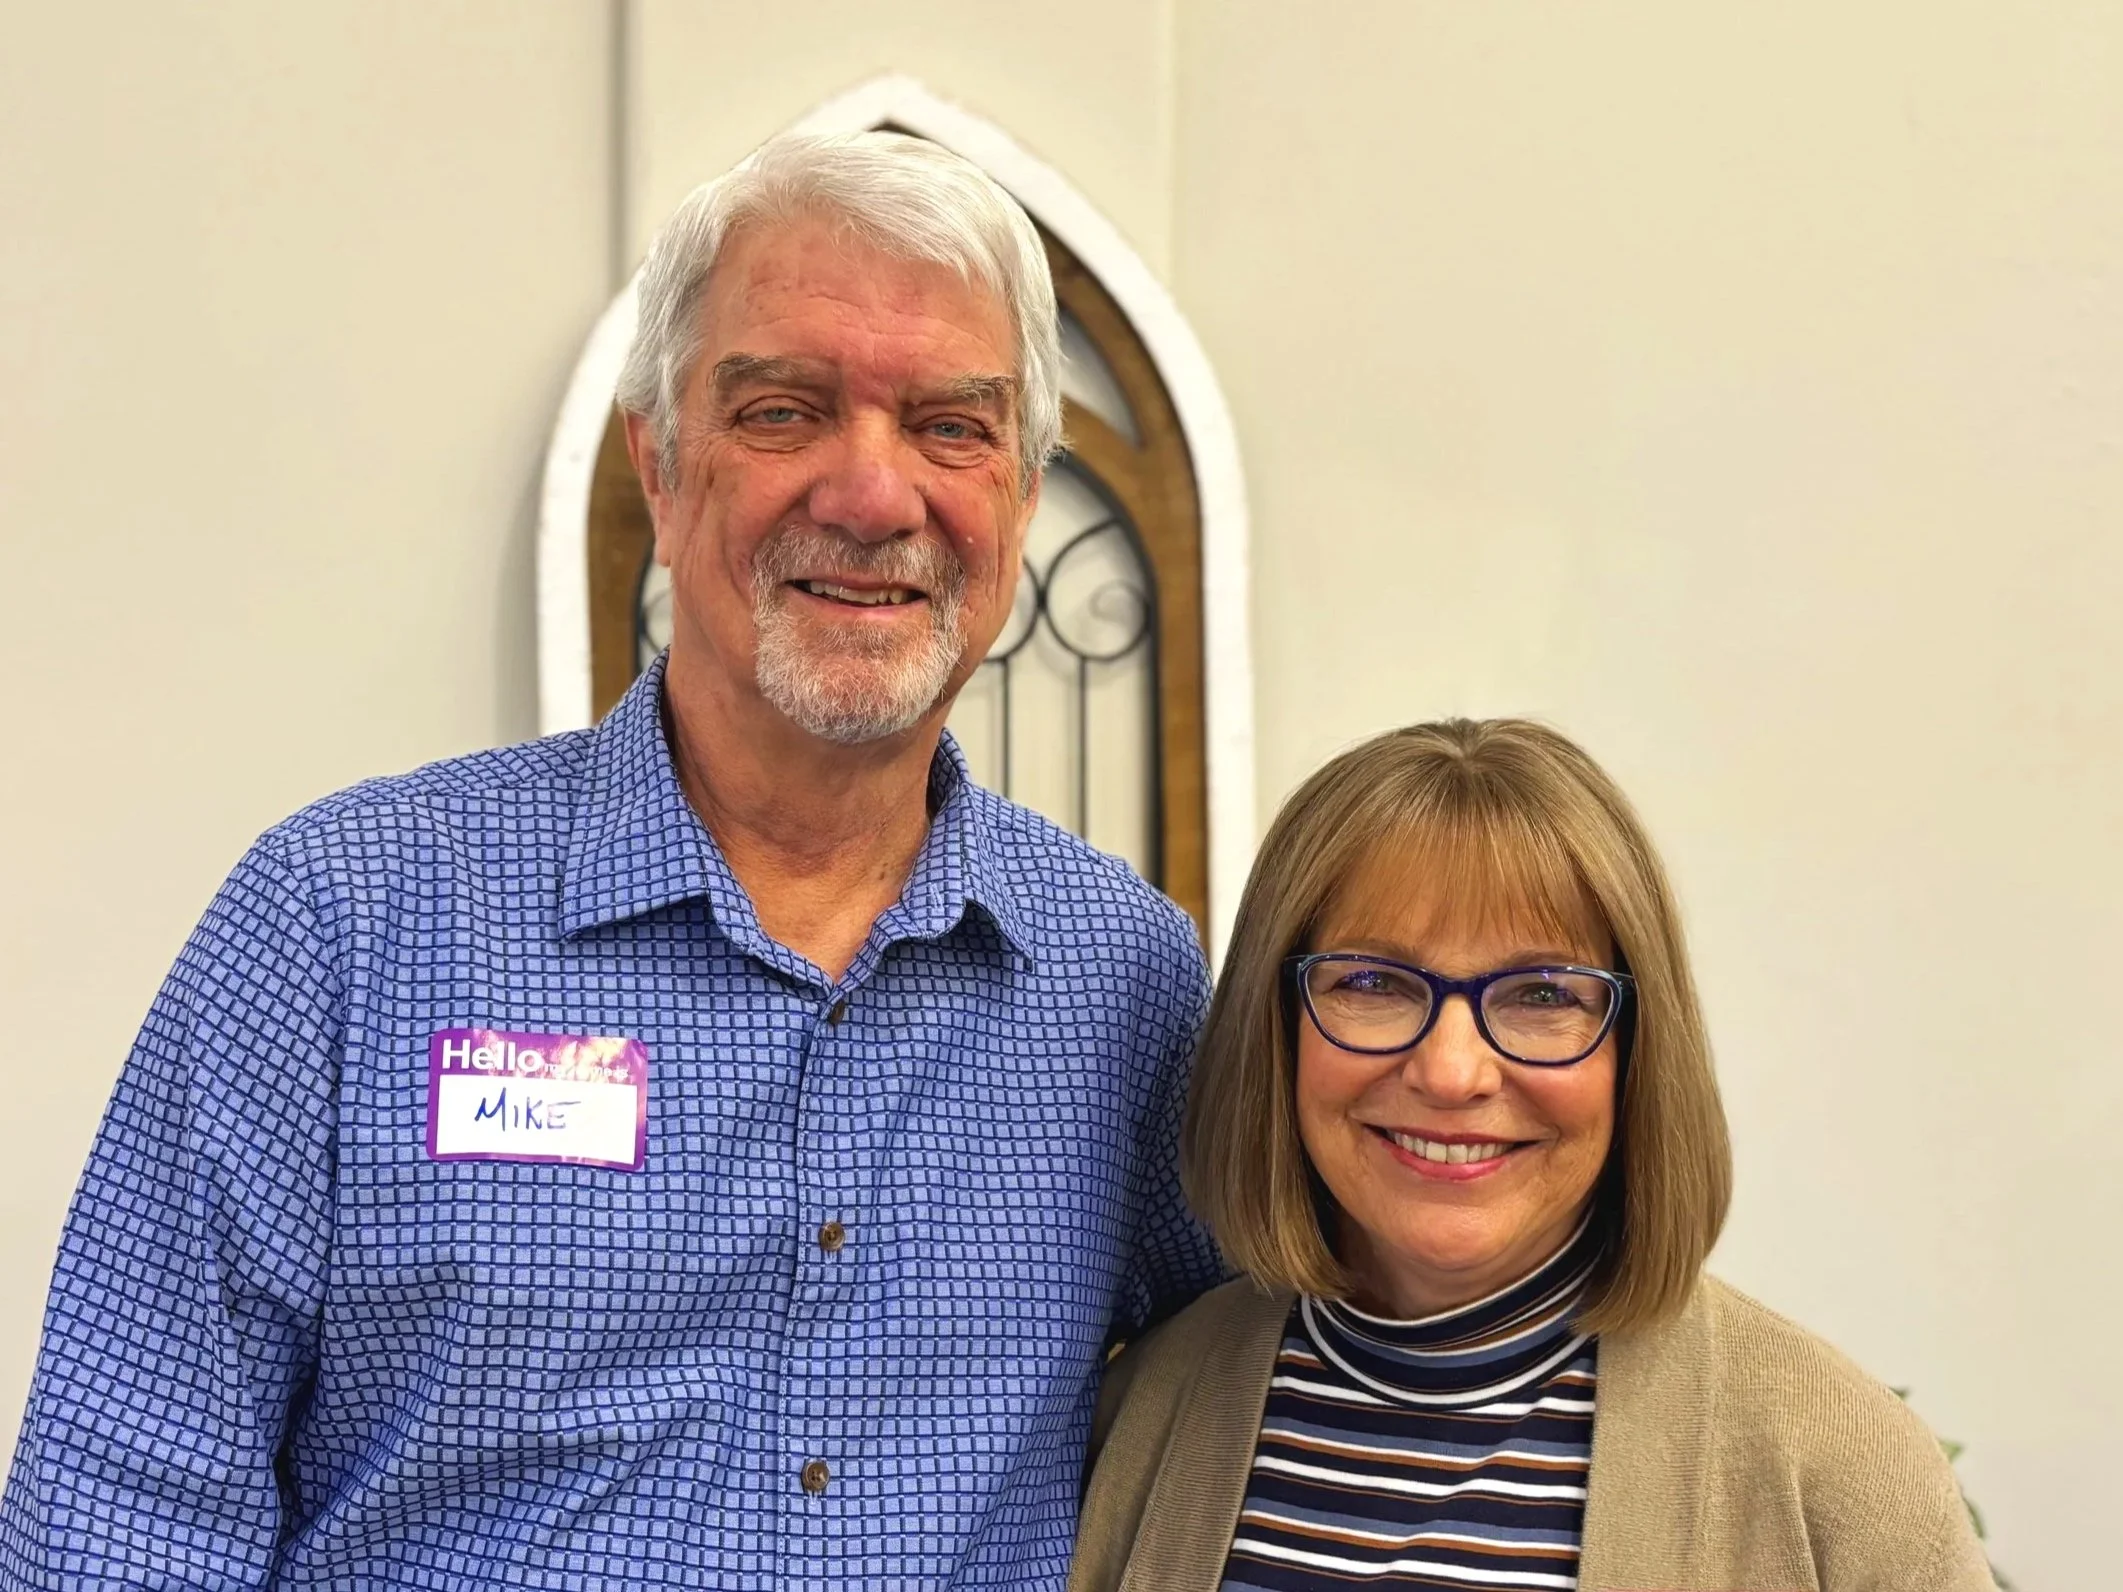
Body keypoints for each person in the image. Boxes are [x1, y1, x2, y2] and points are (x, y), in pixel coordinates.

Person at [0, 131, 1220, 1589]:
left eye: (952, 427)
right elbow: (123, 1517)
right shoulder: (341, 922)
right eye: (783, 410)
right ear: (659, 461)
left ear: (1020, 497)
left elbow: (1292, 1369)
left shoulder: (1126, 981)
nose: (870, 494)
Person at [1071, 720, 1992, 1592]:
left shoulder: (1842, 1475)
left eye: (1543, 993)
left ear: (1636, 1048)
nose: (1452, 1070)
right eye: (1372, 982)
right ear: (1275, 1028)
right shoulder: (1144, 1409)